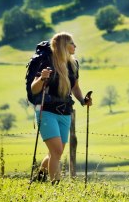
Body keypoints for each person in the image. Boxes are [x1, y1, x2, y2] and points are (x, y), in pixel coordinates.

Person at [29, 32, 92, 183]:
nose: (75, 46)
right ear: (64, 46)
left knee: (56, 152)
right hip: (47, 111)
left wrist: (83, 100)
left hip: (65, 112)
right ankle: (55, 187)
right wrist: (42, 78)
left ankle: (40, 176)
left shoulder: (74, 64)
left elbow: (75, 87)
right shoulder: (48, 64)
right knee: (56, 152)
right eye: (72, 43)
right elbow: (34, 89)